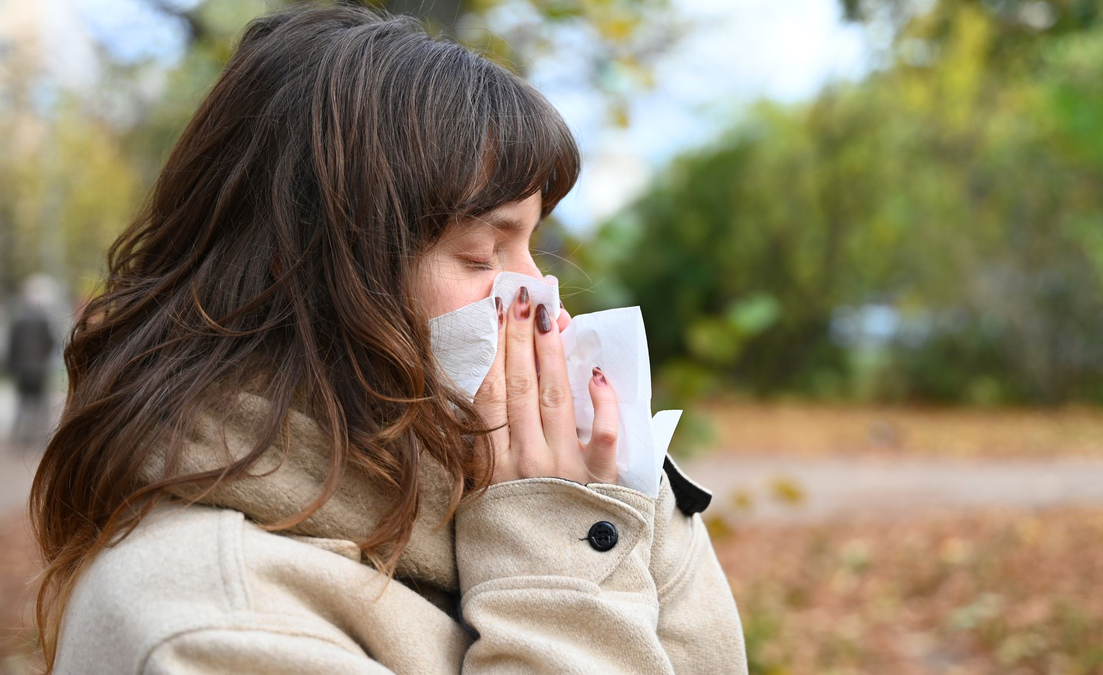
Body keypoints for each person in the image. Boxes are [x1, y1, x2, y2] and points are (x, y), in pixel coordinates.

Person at [30, 5, 747, 674]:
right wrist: (555, 549)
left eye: (534, 246)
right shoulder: (201, 616)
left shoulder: (562, 481)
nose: (544, 301)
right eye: (482, 254)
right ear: (304, 275)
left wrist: (616, 499)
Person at [6, 275, 59, 449]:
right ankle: (41, 436)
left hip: (22, 369)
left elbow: (12, 345)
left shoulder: (19, 320)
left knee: (23, 403)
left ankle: (20, 436)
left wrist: (12, 366)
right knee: (41, 403)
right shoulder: (43, 320)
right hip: (39, 368)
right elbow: (51, 342)